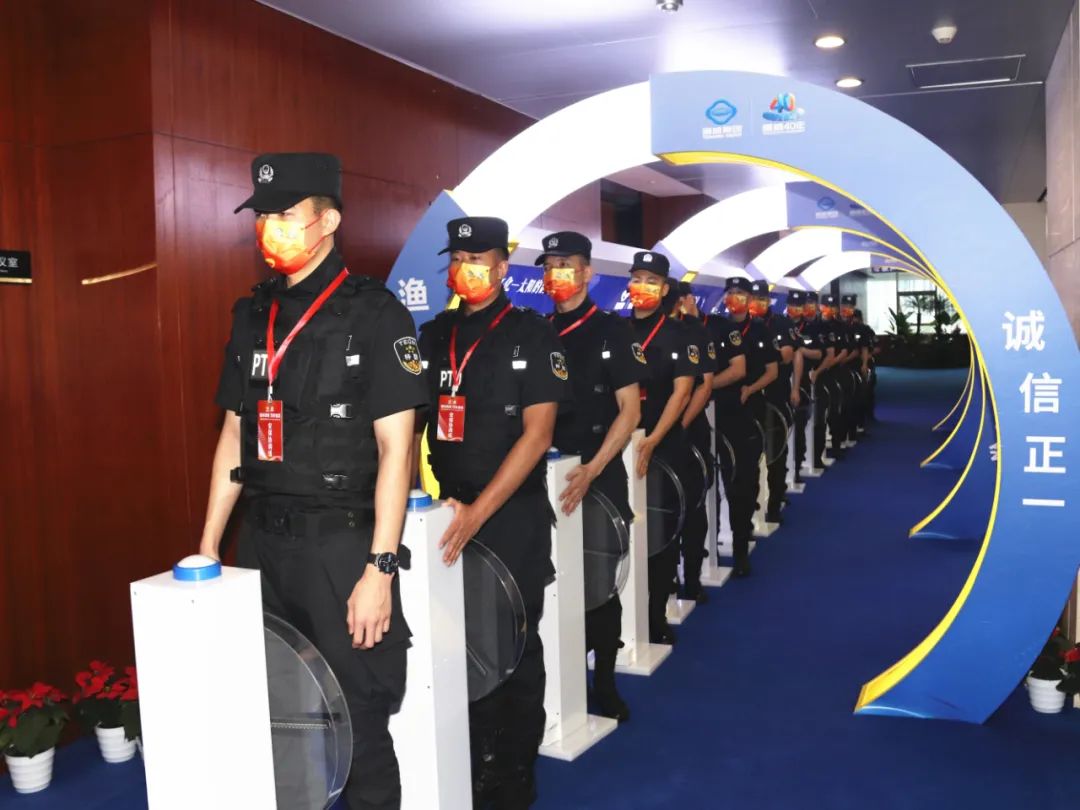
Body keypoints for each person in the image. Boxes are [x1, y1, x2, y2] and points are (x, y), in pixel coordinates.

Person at [203, 152, 426, 810]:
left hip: (340, 548)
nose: (269, 228)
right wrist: (210, 545)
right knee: (281, 715)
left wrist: (379, 569)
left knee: (358, 721)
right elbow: (233, 434)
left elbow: (396, 449)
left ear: (327, 221)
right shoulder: (253, 315)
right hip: (263, 546)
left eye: (285, 215)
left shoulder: (375, 314)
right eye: (263, 215)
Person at [416, 216, 569, 808]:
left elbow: (538, 436)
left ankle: (514, 772)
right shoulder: (435, 336)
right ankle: (475, 759)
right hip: (449, 514)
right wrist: (421, 504)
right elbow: (409, 425)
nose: (465, 270)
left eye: (477, 260)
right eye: (456, 260)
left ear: (502, 268)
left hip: (510, 519)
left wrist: (478, 512)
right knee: (460, 643)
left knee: (514, 646)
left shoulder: (532, 334)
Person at [539, 230, 645, 722]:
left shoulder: (612, 331)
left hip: (596, 476)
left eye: (566, 265)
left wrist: (594, 468)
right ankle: (557, 680)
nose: (556, 274)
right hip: (544, 479)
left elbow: (629, 411)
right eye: (549, 266)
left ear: (587, 273)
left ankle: (604, 681)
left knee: (600, 584)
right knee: (549, 581)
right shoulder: (537, 332)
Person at [624, 252, 695, 643]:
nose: (642, 286)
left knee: (660, 531)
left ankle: (655, 616)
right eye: (637, 278)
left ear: (665, 289)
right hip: (621, 445)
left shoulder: (678, 334)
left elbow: (682, 393)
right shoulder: (617, 330)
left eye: (651, 281)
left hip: (662, 446)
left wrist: (654, 439)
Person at [706, 277, 777, 577]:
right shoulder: (716, 328)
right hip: (715, 412)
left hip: (746, 412)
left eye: (740, 293)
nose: (734, 298)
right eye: (730, 293)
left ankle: (740, 546)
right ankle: (713, 544)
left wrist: (749, 388)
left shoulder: (760, 330)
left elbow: (771, 371)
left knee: (742, 480)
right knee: (715, 482)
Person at [674, 280, 718, 602]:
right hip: (654, 435)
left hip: (689, 432)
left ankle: (692, 577)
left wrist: (680, 425)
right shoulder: (634, 330)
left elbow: (704, 386)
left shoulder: (696, 332)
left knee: (693, 505)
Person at [750, 281, 795, 525]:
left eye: (761, 299)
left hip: (776, 396)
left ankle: (775, 503)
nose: (756, 303)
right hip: (753, 400)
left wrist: (765, 358)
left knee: (775, 454)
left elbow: (787, 355)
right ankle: (754, 504)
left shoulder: (781, 323)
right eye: (753, 298)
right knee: (752, 456)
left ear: (768, 301)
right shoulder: (743, 327)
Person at [785, 290, 811, 481]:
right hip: (782, 382)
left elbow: (818, 353)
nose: (794, 308)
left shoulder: (811, 327)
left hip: (803, 382)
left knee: (800, 425)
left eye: (798, 305)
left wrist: (800, 349)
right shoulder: (780, 324)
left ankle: (798, 463)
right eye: (791, 305)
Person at [853, 308, 879, 424]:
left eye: (856, 318)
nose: (854, 320)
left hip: (867, 364)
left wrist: (867, 356)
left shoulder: (867, 330)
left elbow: (877, 347)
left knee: (868, 390)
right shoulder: (848, 329)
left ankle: (869, 414)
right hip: (853, 364)